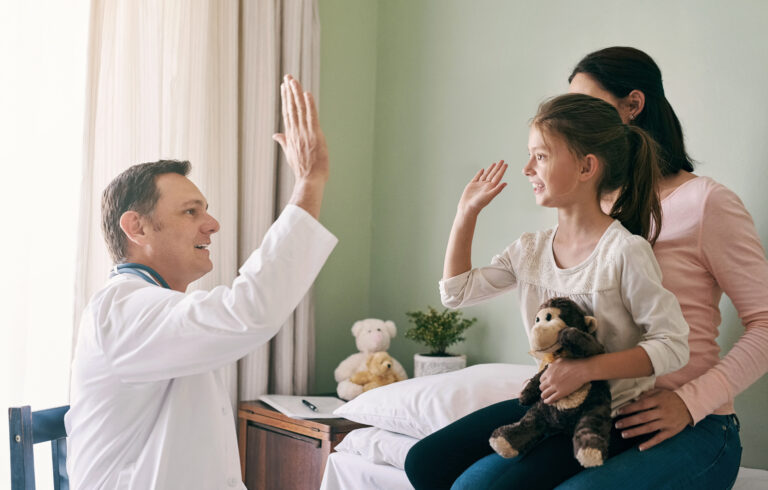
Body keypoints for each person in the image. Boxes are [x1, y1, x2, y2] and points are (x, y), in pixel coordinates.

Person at [405, 93, 689, 489]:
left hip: (607, 414)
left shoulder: (625, 252)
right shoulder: (529, 250)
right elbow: (456, 293)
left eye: (540, 156)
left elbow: (673, 345)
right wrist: (465, 214)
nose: (526, 168)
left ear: (587, 166)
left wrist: (585, 369)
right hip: (549, 405)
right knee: (423, 461)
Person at [65, 75, 336, 489]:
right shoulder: (120, 310)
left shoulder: (163, 313)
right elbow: (248, 312)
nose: (212, 225)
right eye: (191, 211)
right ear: (136, 227)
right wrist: (309, 181)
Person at [555, 46, 768, 489]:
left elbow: (765, 322)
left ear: (633, 105)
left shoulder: (707, 202)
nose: (574, 123)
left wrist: (690, 402)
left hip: (695, 425)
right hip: (600, 414)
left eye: (588, 106)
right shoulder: (593, 205)